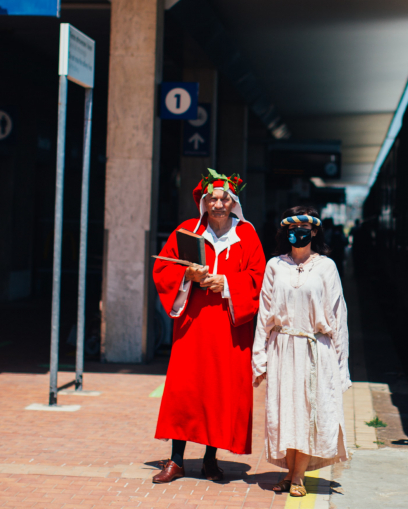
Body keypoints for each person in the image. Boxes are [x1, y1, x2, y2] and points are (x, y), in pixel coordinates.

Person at [150, 169, 267, 484]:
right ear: (204, 201)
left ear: (233, 202)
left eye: (224, 198)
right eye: (212, 199)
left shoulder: (247, 235)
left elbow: (258, 278)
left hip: (229, 327)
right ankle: (176, 461)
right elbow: (162, 268)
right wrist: (187, 277)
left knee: (219, 390)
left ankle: (210, 459)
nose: (218, 204)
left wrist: (225, 282)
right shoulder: (187, 231)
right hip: (193, 325)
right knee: (185, 390)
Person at [252, 206, 350, 497]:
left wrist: (340, 363)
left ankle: (297, 478)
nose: (298, 233)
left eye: (305, 227)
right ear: (284, 232)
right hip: (282, 348)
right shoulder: (274, 266)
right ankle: (290, 473)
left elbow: (338, 316)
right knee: (285, 412)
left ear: (315, 231)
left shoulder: (326, 267)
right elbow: (264, 315)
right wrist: (260, 358)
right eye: (292, 229)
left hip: (315, 350)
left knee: (309, 410)